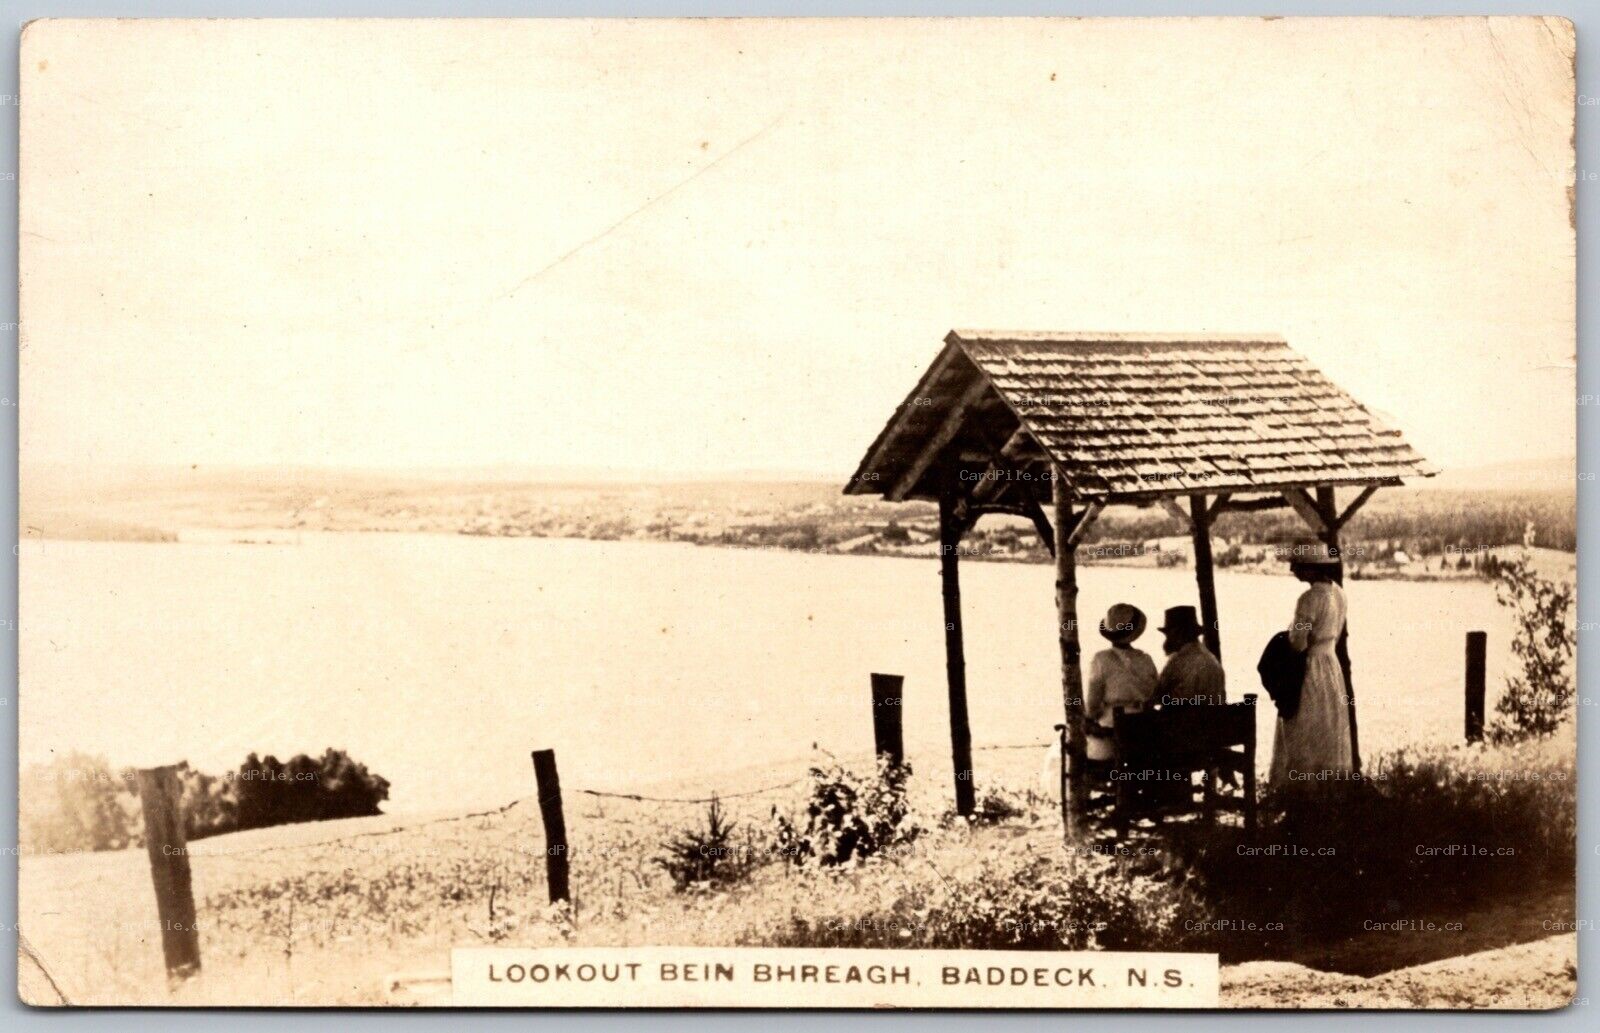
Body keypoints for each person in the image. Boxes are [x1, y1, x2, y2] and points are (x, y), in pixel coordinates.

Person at [1269, 541, 1352, 784]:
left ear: (1311, 568)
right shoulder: (1339, 593)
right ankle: (1329, 787)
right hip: (1331, 664)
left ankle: (1303, 790)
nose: (1293, 571)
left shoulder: (1308, 598)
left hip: (1310, 668)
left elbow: (1297, 641)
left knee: (1303, 727)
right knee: (1329, 726)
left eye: (1297, 565)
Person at [1083, 603, 1159, 762]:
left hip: (1115, 737)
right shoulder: (1145, 659)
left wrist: (1089, 720)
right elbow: (1155, 694)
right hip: (1146, 736)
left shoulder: (1100, 659)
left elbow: (1092, 705)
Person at [1154, 605, 1226, 707]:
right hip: (1212, 720)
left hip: (1185, 720)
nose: (1167, 638)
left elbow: (1157, 695)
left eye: (1169, 634)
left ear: (1179, 632)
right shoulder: (1210, 658)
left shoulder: (1179, 661)